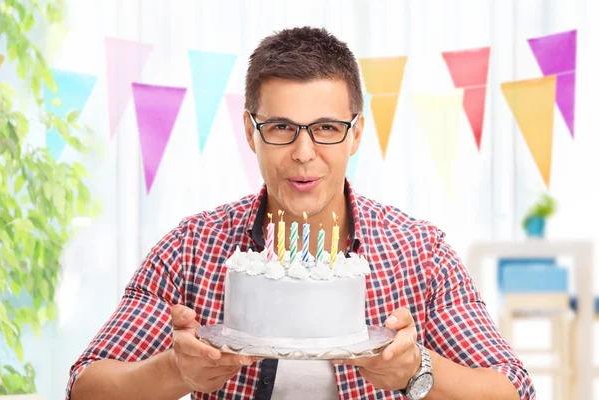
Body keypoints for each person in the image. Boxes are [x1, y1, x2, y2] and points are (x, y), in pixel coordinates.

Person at [67, 26, 535, 400]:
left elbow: (512, 388)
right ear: (250, 132)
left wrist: (416, 371)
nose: (304, 153)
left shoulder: (419, 252)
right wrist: (175, 371)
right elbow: (85, 387)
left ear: (356, 135)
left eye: (327, 128)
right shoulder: (192, 247)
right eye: (281, 127)